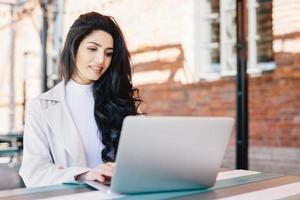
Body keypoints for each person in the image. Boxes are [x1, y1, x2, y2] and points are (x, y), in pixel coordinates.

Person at [19, 11, 142, 187]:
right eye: (92, 49)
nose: (101, 60)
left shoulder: (119, 99)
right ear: (73, 47)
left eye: (108, 53)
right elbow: (34, 172)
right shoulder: (41, 107)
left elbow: (142, 159)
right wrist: (85, 175)